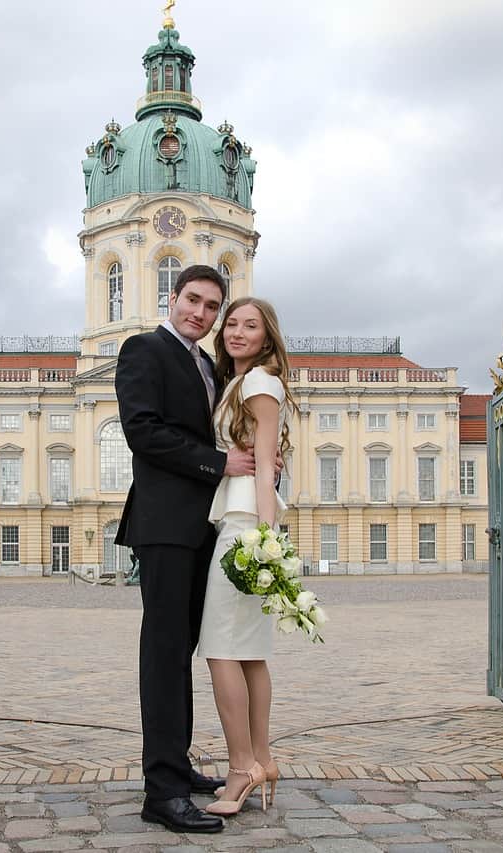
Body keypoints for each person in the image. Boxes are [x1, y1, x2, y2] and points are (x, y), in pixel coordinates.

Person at [114, 264, 256, 834]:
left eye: (210, 306)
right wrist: (219, 463)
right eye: (192, 300)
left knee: (185, 650)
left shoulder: (205, 364)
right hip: (167, 524)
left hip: (202, 526)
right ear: (172, 298)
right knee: (165, 653)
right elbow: (141, 430)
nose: (199, 313)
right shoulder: (144, 349)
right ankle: (162, 791)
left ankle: (179, 765)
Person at [195, 296, 296, 816]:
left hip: (242, 528)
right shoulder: (241, 381)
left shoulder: (257, 383)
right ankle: (263, 758)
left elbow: (263, 470)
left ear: (266, 335)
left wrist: (264, 540)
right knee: (251, 652)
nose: (236, 332)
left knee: (219, 649)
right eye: (231, 323)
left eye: (249, 326)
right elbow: (262, 457)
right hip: (245, 524)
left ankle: (241, 769)